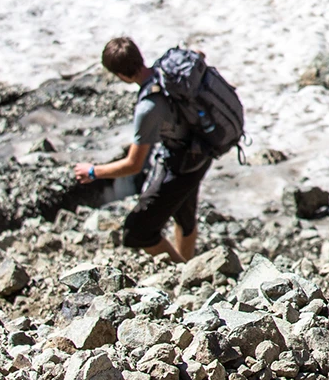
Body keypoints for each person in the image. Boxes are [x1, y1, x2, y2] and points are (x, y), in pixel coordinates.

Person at [74, 37, 227, 262]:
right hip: (203, 147)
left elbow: (133, 164)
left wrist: (92, 172)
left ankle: (181, 272)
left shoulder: (148, 108)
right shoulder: (169, 73)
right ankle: (189, 271)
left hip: (183, 162)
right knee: (184, 215)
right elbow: (198, 54)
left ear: (121, 76)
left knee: (137, 233)